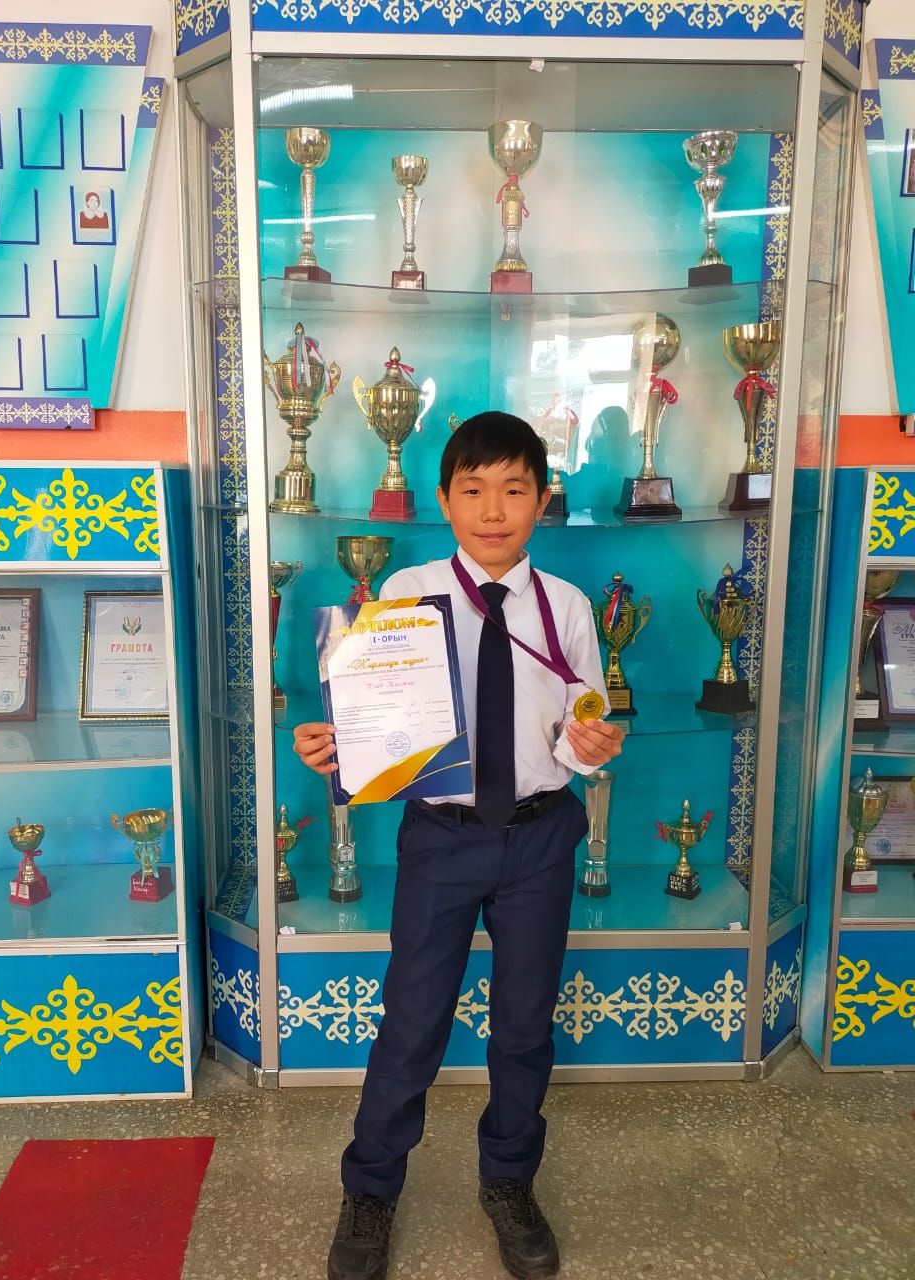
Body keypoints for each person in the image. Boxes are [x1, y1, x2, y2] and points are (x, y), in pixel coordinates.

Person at [293, 411, 624, 1280]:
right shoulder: (406, 591)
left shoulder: (567, 607)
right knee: (411, 1023)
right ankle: (371, 1189)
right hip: (440, 841)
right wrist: (336, 747)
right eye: (473, 490)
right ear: (443, 500)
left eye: (515, 489)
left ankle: (509, 1182)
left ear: (542, 500)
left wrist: (591, 748)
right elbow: (377, 720)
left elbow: (579, 728)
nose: (494, 509)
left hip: (540, 839)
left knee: (523, 1024)